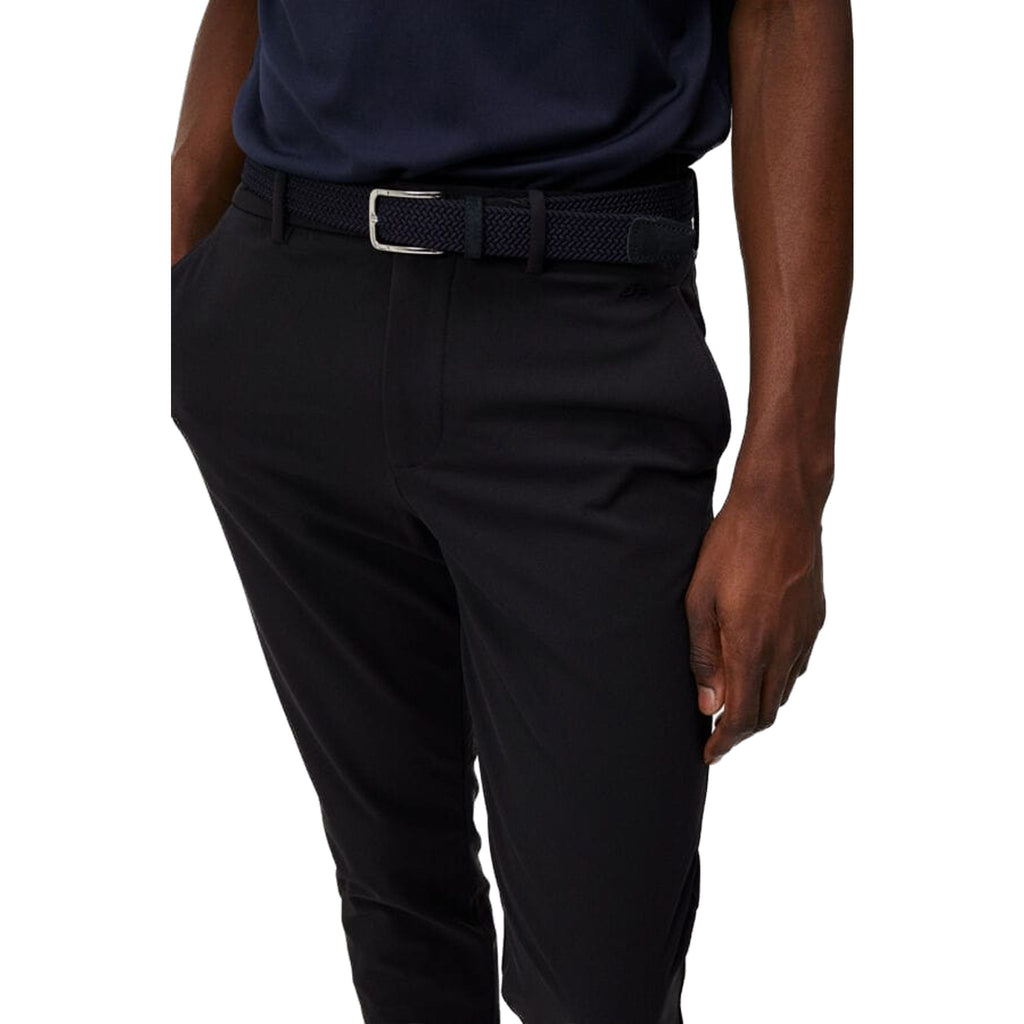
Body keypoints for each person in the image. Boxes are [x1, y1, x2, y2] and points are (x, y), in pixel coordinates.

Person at [170, 1, 853, 1021]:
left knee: (602, 981)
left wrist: (786, 483)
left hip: (577, 329)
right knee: (397, 899)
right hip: (289, 306)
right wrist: (186, 267)